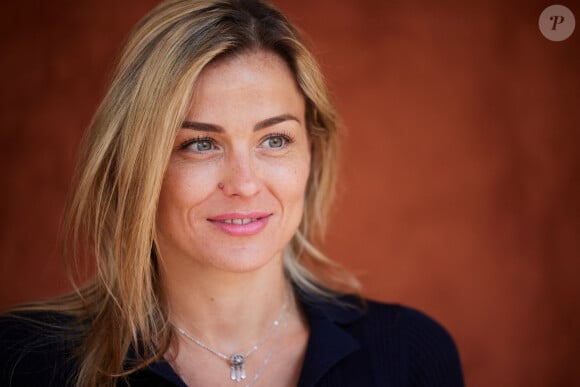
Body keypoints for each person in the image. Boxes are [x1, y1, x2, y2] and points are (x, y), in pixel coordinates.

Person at [0, 0, 464, 386]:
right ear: (135, 165)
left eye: (275, 140)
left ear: (312, 153)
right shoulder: (23, 361)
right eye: (200, 144)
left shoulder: (409, 356)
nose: (243, 183)